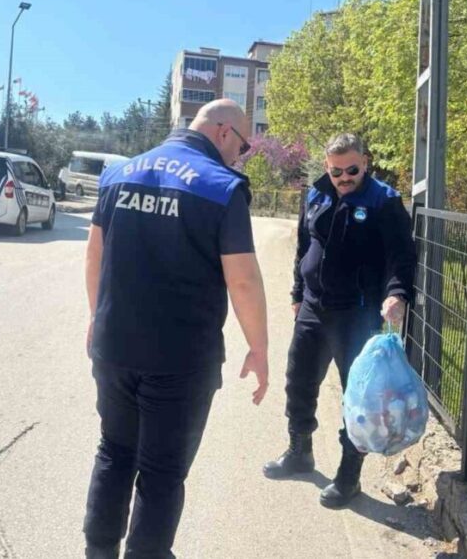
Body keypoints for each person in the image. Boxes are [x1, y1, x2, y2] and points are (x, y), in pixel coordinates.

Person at [83, 99, 270, 558]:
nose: (240, 156)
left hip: (114, 346)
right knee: (162, 471)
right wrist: (259, 347)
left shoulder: (118, 174)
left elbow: (95, 255)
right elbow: (243, 280)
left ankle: (98, 551)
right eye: (243, 146)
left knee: (114, 451)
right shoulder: (221, 187)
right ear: (224, 132)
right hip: (179, 359)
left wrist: (95, 318)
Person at [263, 132, 415, 508]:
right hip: (313, 308)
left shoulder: (384, 201)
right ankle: (299, 452)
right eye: (336, 171)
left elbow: (401, 255)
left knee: (357, 396)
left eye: (351, 170)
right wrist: (297, 293)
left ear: (365, 162)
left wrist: (396, 294)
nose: (344, 178)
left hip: (357, 313)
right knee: (299, 382)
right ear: (327, 167)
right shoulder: (316, 194)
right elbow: (304, 246)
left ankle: (349, 477)